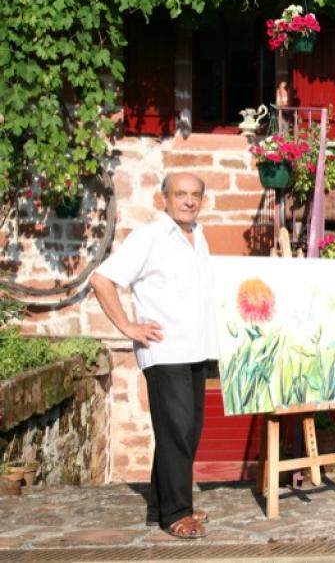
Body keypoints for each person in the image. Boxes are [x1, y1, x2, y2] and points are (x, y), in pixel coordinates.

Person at [90, 173, 218, 539]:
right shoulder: (149, 237)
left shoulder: (199, 236)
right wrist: (128, 327)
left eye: (196, 194)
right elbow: (102, 279)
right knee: (177, 429)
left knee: (187, 431)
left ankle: (159, 506)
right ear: (164, 198)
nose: (189, 201)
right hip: (165, 350)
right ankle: (177, 513)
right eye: (181, 194)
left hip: (196, 348)